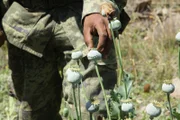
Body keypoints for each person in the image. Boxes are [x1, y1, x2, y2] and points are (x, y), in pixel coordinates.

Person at [0, 0, 130, 119]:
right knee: (32, 113)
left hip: (84, 20)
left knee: (94, 112)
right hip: (25, 23)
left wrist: (98, 6)